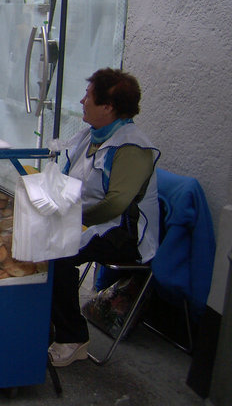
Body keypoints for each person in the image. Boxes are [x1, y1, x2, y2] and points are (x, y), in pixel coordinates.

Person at [48, 68, 160, 367]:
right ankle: (45, 323)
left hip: (123, 233)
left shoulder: (132, 147)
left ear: (108, 107)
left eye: (89, 96)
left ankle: (73, 337)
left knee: (57, 254)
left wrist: (70, 217)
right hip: (87, 220)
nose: (82, 100)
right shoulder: (90, 134)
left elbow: (116, 204)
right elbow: (66, 176)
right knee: (34, 237)